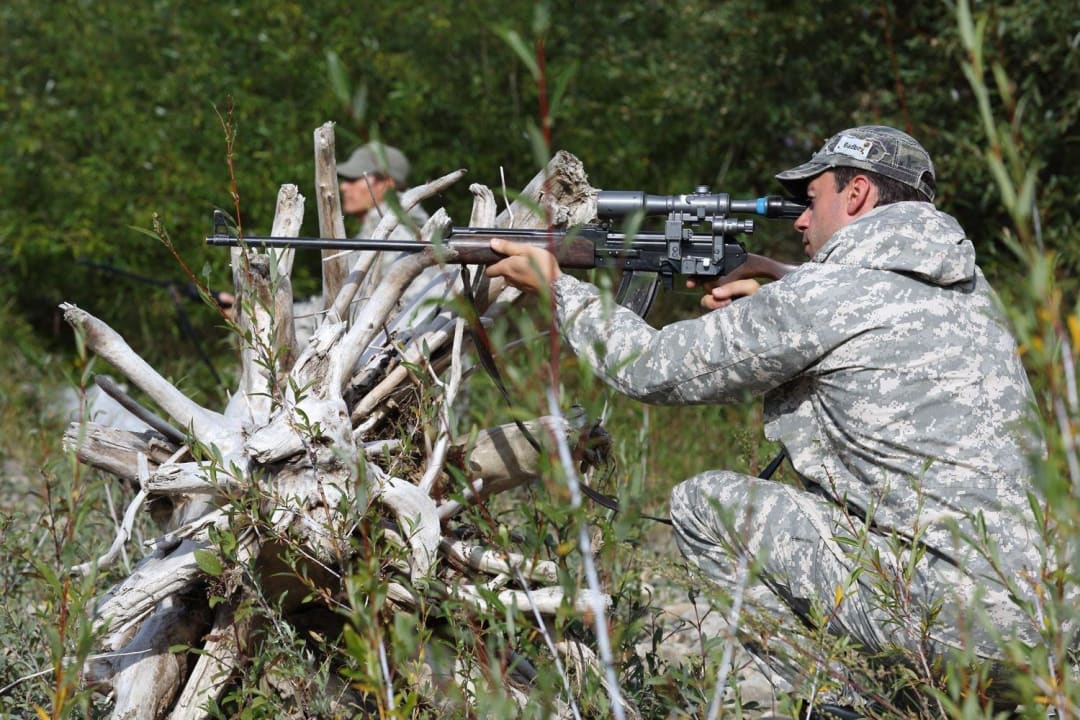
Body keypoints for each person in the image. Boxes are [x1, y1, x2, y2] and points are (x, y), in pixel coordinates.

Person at [485, 126, 1046, 708]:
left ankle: (845, 703)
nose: (801, 221)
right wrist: (773, 299)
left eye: (811, 201)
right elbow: (861, 326)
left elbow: (648, 367)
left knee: (707, 505)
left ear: (856, 195)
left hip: (949, 624)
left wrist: (559, 290)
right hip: (1045, 626)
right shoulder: (974, 291)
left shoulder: (822, 296)